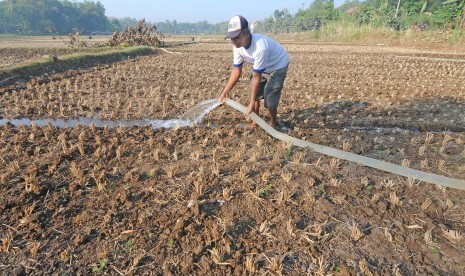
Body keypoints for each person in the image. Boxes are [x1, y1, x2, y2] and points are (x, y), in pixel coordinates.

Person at [218, 15, 289, 129]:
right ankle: (256, 122)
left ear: (247, 33)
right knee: (253, 93)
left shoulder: (260, 47)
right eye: (232, 38)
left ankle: (273, 123)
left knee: (270, 95)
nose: (234, 41)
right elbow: (237, 70)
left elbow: (257, 76)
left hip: (277, 65)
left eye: (237, 37)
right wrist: (225, 92)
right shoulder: (237, 47)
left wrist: (251, 103)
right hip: (262, 67)